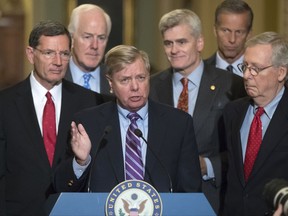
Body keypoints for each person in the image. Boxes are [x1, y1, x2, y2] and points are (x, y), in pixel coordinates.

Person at [53, 45, 202, 194]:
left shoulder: (178, 124)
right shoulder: (88, 124)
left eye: (141, 78)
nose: (135, 87)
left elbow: (191, 191)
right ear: (111, 83)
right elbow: (63, 187)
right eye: (125, 80)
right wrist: (81, 162)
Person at [0, 20, 105, 215]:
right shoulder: (4, 104)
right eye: (49, 53)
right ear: (31, 54)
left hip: (74, 210)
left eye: (64, 54)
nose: (58, 62)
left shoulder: (90, 102)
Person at [149, 9, 246, 214]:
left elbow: (244, 150)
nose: (174, 50)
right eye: (168, 43)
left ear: (199, 42)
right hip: (161, 199)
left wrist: (208, 165)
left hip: (213, 198)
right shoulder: (151, 86)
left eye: (182, 42)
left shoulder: (232, 85)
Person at [221, 32, 288, 216]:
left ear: (281, 72)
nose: (246, 75)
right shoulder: (232, 112)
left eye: (256, 68)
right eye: (245, 66)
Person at [65, 4, 112, 94]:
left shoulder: (116, 80)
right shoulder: (54, 78)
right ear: (71, 38)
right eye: (87, 37)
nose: (95, 46)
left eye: (101, 38)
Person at [205, 0, 253, 77]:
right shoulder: (200, 71)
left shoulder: (258, 74)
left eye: (239, 32)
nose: (232, 39)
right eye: (226, 31)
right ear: (215, 30)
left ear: (249, 34)